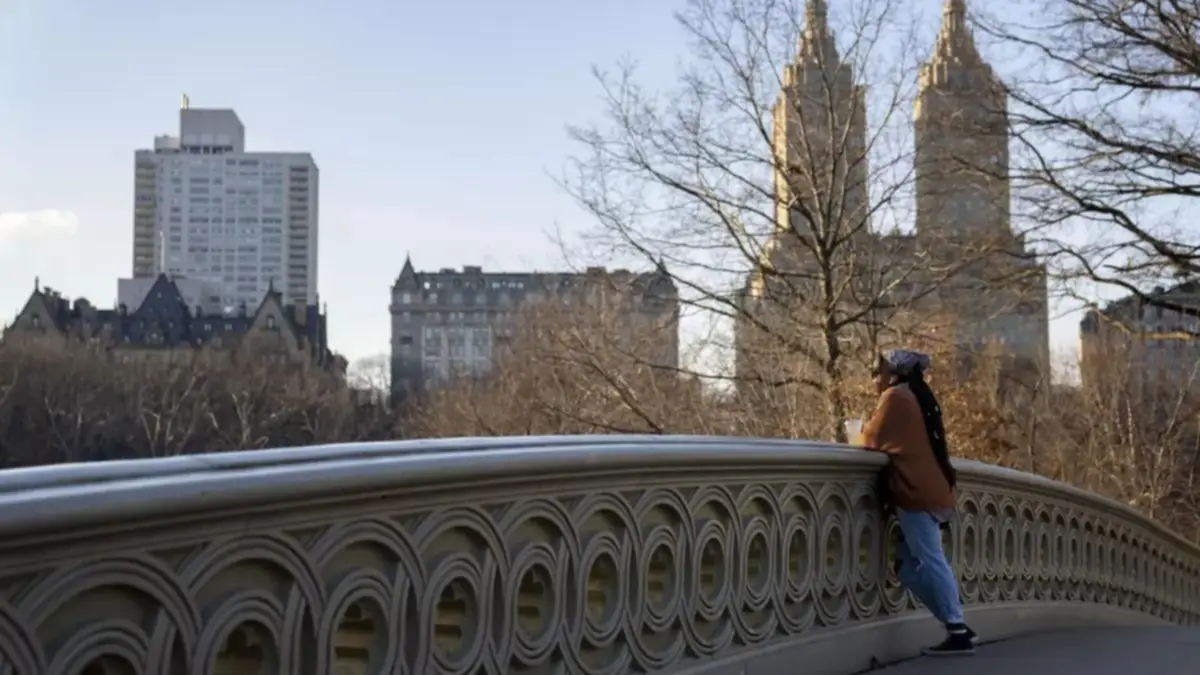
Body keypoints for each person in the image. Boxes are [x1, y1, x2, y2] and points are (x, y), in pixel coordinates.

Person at [854, 349, 978, 656]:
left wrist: (853, 436)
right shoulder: (915, 396)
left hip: (915, 492)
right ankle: (957, 626)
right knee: (907, 568)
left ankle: (957, 628)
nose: (874, 378)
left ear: (893, 374)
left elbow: (870, 440)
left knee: (931, 558)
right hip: (930, 489)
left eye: (877, 372)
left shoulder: (895, 398)